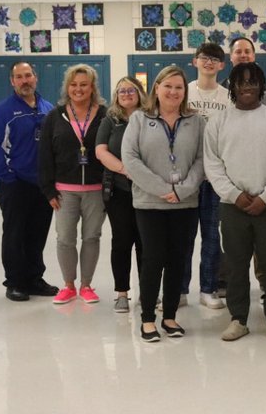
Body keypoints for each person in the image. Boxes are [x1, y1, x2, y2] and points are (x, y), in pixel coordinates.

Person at [204, 63, 266, 342]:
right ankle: (238, 318)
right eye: (241, 82)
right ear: (232, 86)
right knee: (235, 265)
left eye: (253, 81)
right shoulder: (219, 122)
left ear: (261, 85)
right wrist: (234, 195)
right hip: (234, 208)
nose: (247, 87)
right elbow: (212, 164)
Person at [122, 66, 205, 342]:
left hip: (185, 203)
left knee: (178, 260)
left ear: (185, 91)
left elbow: (202, 160)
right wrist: (162, 189)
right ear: (156, 88)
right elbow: (130, 159)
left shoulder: (195, 121)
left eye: (179, 87)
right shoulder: (139, 120)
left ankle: (170, 317)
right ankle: (147, 319)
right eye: (167, 86)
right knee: (153, 259)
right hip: (150, 203)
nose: (173, 92)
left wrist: (182, 190)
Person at [0, 61, 59, 301]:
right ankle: (15, 282)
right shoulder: (2, 112)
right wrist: (7, 177)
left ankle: (34, 279)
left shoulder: (48, 108)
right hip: (14, 184)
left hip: (43, 185)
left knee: (37, 233)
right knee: (15, 234)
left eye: (28, 75)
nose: (25, 80)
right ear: (12, 81)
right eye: (19, 77)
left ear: (35, 78)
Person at [38, 63, 107, 305]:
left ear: (92, 87)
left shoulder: (104, 114)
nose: (78, 89)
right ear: (67, 87)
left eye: (84, 84)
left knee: (91, 238)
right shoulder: (55, 116)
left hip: (96, 191)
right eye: (73, 84)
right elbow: (44, 154)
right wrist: (48, 190)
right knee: (65, 239)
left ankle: (86, 285)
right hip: (64, 190)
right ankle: (68, 285)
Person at [184, 42, 230, 310]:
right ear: (195, 61)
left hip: (216, 178)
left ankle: (208, 288)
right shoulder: (184, 92)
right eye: (204, 58)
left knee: (212, 237)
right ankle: (180, 290)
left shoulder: (228, 97)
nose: (209, 63)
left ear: (222, 65)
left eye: (215, 59)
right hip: (187, 176)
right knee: (184, 236)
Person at [94, 76, 146, 313]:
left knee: (147, 243)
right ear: (116, 95)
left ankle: (148, 291)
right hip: (118, 190)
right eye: (121, 90)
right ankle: (122, 293)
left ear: (139, 92)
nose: (126, 94)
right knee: (122, 241)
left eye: (131, 90)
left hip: (146, 190)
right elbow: (100, 151)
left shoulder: (149, 117)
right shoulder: (110, 120)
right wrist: (126, 170)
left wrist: (141, 174)